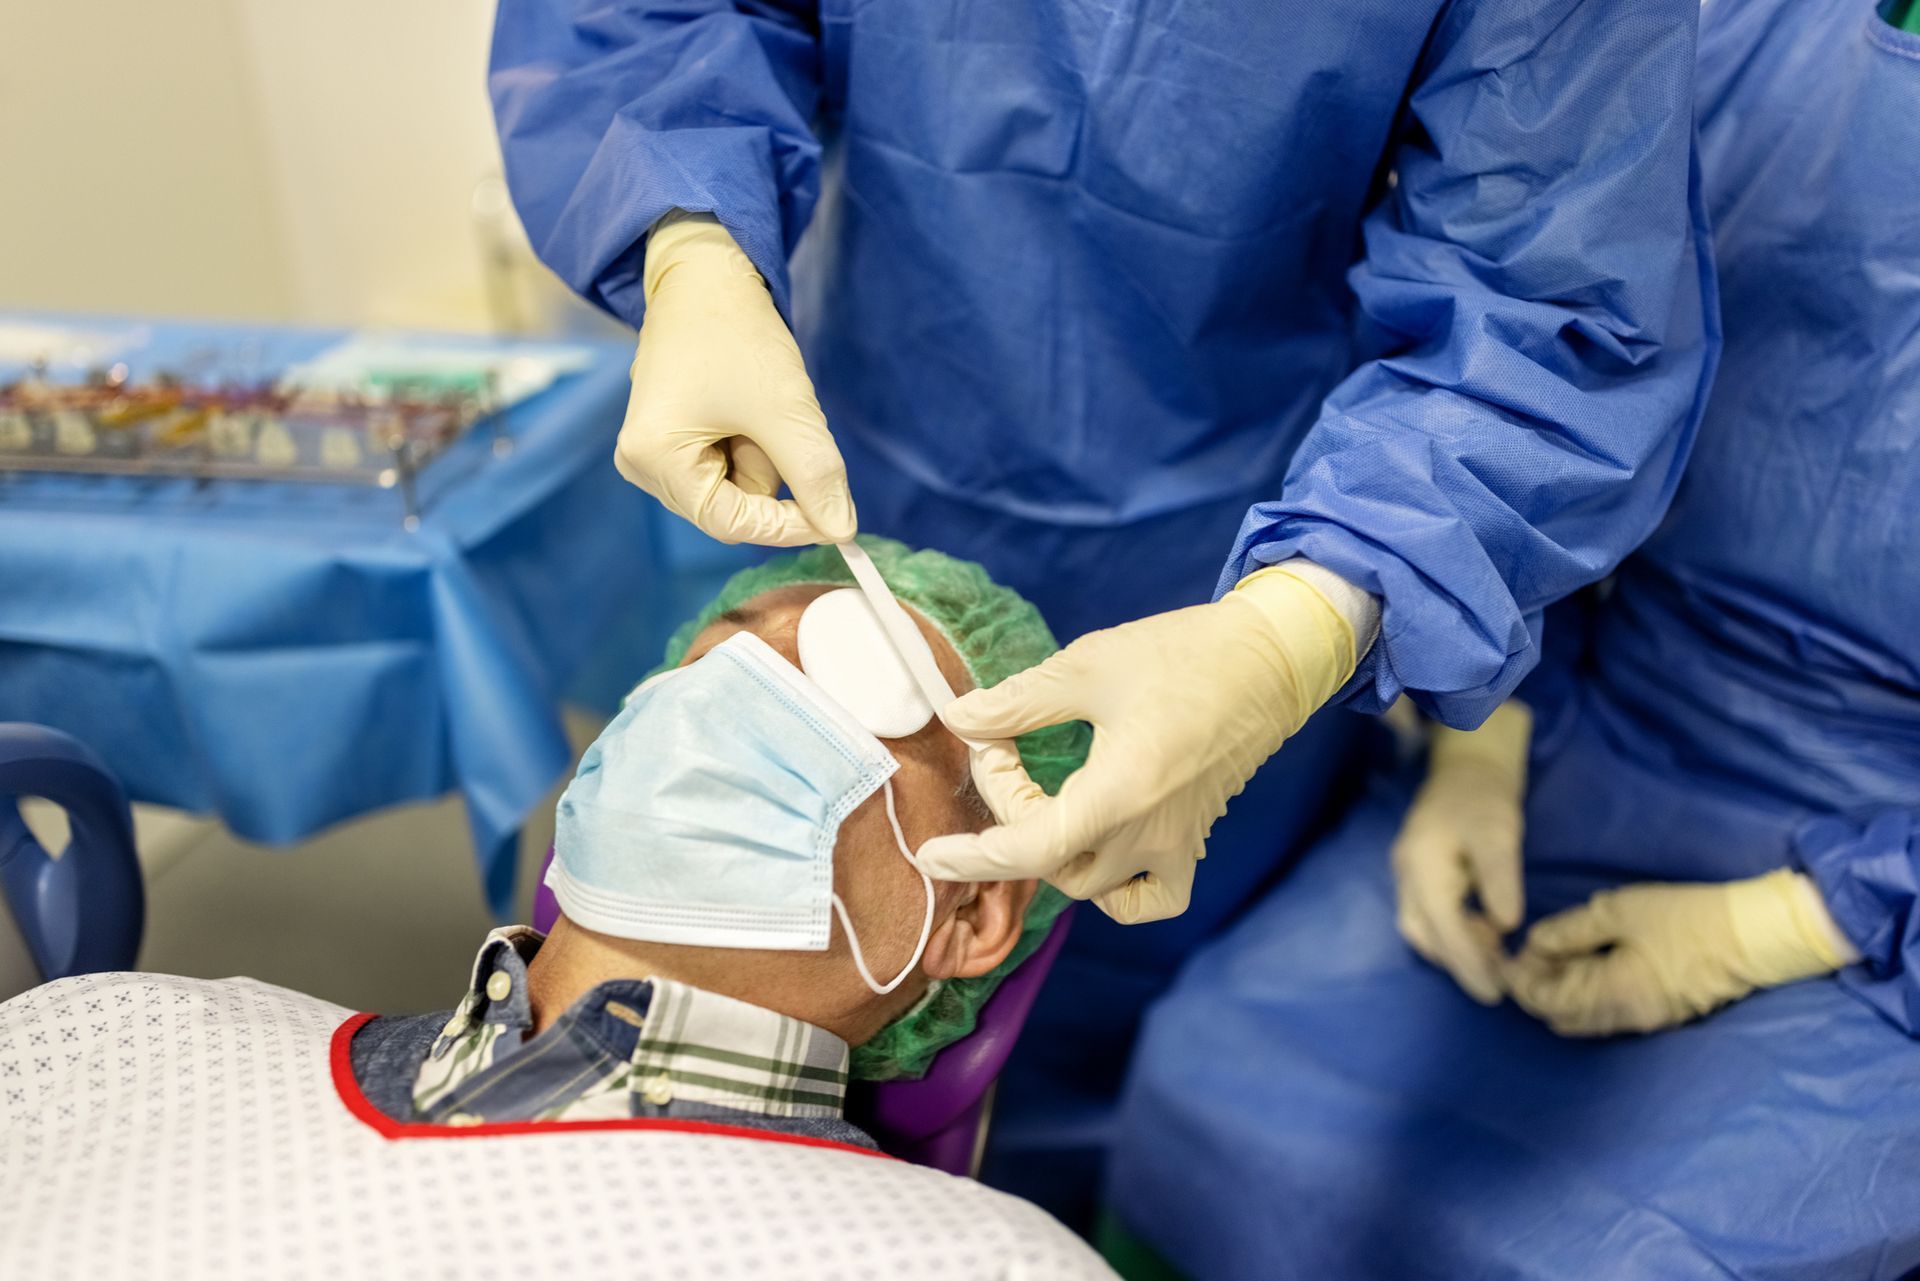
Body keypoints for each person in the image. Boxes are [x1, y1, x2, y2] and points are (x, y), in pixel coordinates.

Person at [488, 0, 1720, 1209]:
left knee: (1106, 1063)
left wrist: (1302, 623)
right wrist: (689, 239)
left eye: (837, 691)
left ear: (974, 914)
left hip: (1235, 522)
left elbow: (1555, 297)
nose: (722, 719)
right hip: (887, 424)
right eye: (736, 658)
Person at [1107, 0, 1920, 1275]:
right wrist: (1482, 745)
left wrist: (1791, 925)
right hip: (1594, 708)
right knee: (1212, 1084)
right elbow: (1558, 364)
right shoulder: (1749, 32)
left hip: (1886, 881)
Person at [0, 539, 1114, 1281]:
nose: (722, 689)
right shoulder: (118, 1026)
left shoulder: (978, 1262)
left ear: (968, 911)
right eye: (702, 663)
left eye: (853, 673)